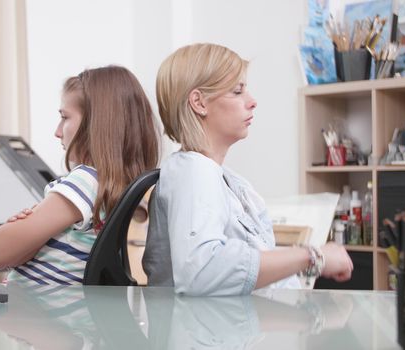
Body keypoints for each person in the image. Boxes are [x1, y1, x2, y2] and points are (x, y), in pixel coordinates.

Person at [142, 43, 353, 296]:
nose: (252, 102)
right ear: (199, 102)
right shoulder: (192, 173)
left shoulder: (227, 180)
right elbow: (202, 270)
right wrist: (312, 257)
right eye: (237, 91)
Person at [0, 65, 159, 285]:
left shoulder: (85, 182)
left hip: (33, 312)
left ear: (95, 125)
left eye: (65, 117)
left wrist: (17, 228)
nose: (57, 131)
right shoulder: (115, 186)